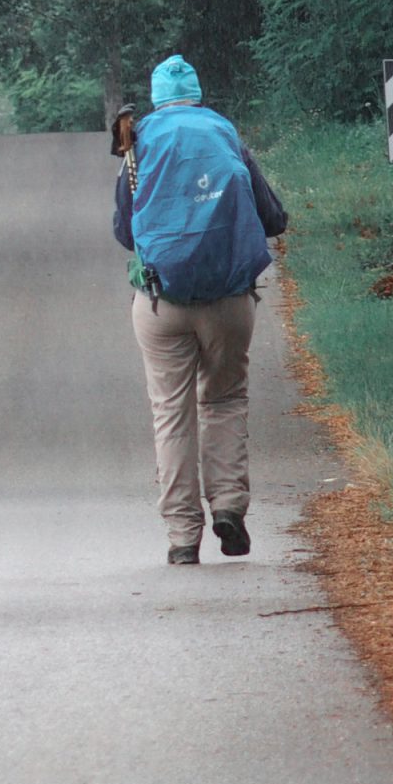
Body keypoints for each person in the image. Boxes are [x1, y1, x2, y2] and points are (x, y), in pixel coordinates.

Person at [111, 55, 287, 565]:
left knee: (171, 413)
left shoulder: (138, 143)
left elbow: (126, 231)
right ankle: (229, 508)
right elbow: (272, 217)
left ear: (157, 97)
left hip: (162, 302)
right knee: (225, 400)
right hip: (230, 302)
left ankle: (183, 536)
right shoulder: (224, 133)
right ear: (197, 93)